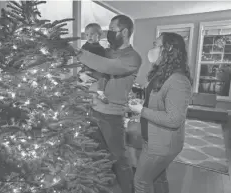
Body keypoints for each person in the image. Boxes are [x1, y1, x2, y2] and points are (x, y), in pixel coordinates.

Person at [77, 15, 142, 193]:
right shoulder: (107, 52)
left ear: (125, 31)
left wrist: (77, 52)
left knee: (119, 159)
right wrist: (85, 77)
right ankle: (103, 186)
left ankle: (129, 189)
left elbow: (108, 67)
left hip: (112, 115)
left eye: (112, 29)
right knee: (97, 154)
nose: (108, 33)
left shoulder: (133, 57)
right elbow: (100, 73)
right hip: (93, 109)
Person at [127, 32, 193, 193]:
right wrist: (142, 104)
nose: (152, 49)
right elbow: (158, 104)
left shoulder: (178, 80)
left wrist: (142, 110)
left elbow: (174, 119)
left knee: (141, 182)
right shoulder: (161, 74)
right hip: (153, 138)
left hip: (162, 144)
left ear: (168, 48)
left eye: (156, 45)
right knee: (158, 178)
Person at [79, 23, 109, 104]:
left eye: (92, 34)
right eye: (87, 34)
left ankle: (100, 93)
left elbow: (103, 63)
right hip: (86, 69)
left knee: (104, 76)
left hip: (96, 71)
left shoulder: (101, 49)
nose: (89, 36)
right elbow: (81, 58)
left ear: (99, 36)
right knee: (80, 77)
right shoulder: (84, 47)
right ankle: (83, 95)